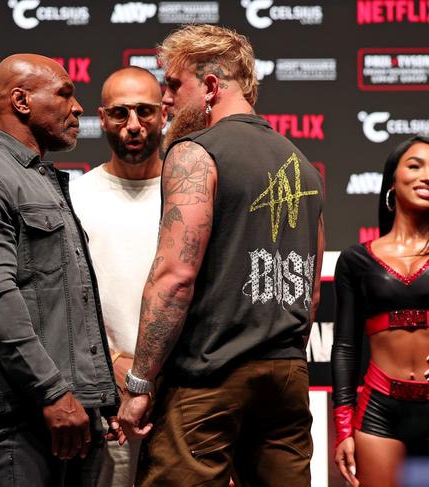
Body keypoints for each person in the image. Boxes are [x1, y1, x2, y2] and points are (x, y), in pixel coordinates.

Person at [116, 25, 325, 486]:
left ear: (211, 86)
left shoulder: (195, 153)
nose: (165, 99)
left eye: (173, 84)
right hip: (287, 379)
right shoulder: (305, 166)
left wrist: (139, 384)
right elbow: (309, 296)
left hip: (209, 377)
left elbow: (175, 277)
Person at [0, 54, 118, 486]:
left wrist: (95, 397)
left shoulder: (40, 179)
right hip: (23, 415)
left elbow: (63, 301)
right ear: (21, 100)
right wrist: (53, 393)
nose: (77, 108)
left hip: (73, 410)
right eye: (64, 94)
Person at [69, 66, 165, 487]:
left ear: (165, 115)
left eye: (145, 112)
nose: (133, 126)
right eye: (120, 113)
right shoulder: (75, 197)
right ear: (101, 117)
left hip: (182, 392)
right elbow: (66, 297)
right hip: (105, 394)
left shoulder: (193, 195)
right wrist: (113, 362)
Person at [332, 135, 429, 487]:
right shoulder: (356, 260)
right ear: (392, 181)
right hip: (380, 410)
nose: (426, 176)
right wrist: (343, 428)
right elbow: (345, 347)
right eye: (415, 166)